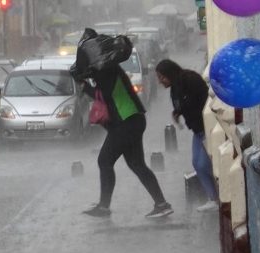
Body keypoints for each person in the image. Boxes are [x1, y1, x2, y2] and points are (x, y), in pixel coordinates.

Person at [75, 33, 173, 218]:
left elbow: (101, 95)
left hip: (126, 122)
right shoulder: (109, 69)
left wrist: (83, 85)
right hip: (132, 120)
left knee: (104, 160)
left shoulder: (106, 71)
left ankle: (104, 207)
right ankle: (162, 204)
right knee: (136, 164)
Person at [155, 59, 219, 212]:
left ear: (169, 73)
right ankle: (213, 198)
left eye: (161, 77)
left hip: (206, 128)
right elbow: (181, 105)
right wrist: (177, 112)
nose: (160, 81)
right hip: (197, 131)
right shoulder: (174, 89)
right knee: (197, 164)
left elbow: (201, 100)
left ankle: (217, 197)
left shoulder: (190, 80)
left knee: (204, 164)